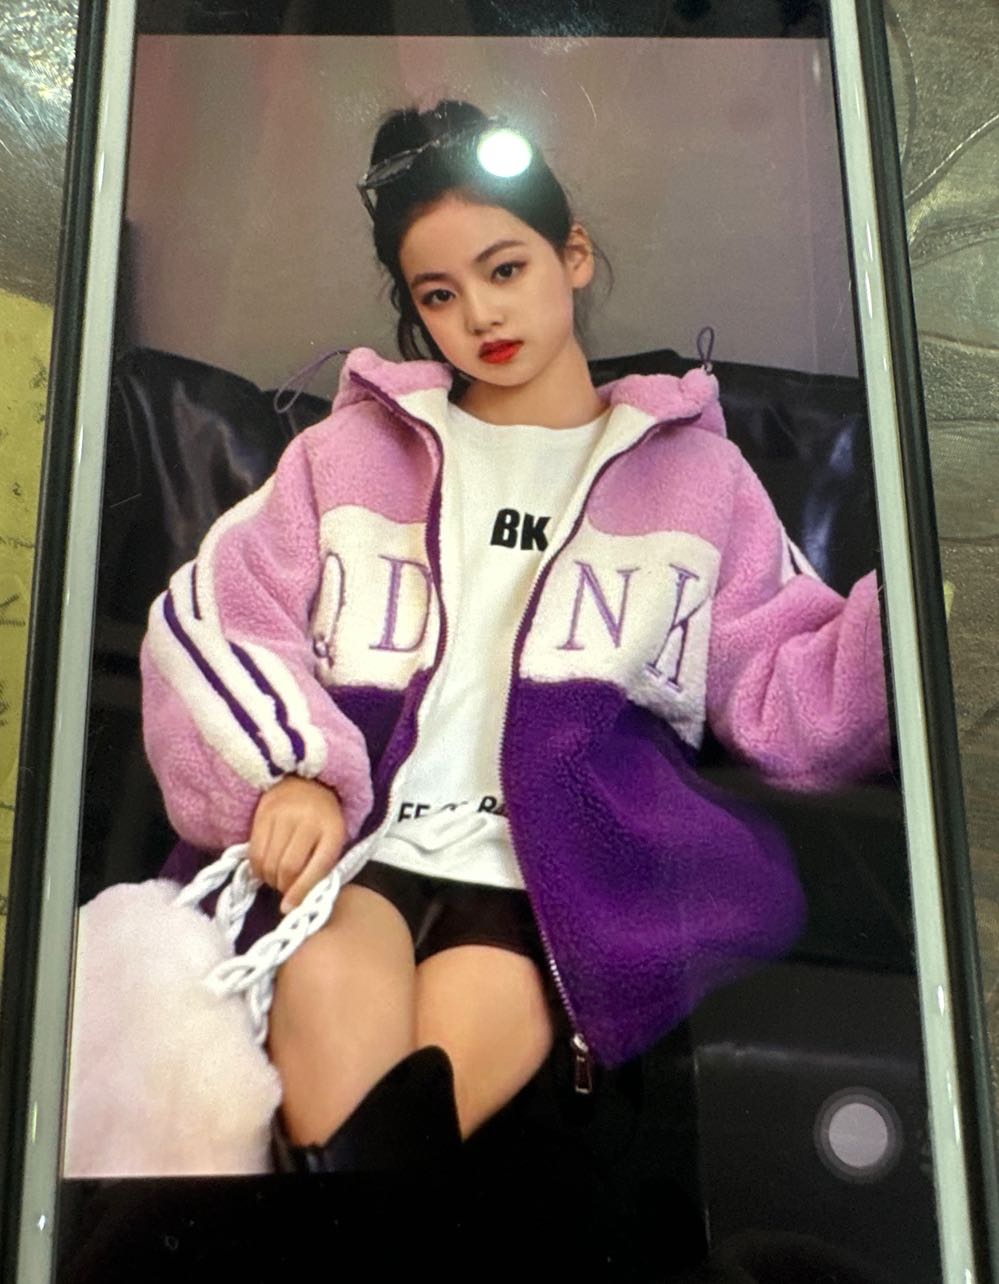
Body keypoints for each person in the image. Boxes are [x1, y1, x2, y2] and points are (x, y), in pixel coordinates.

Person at [140, 99, 892, 1177]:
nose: (480, 315)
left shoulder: (698, 479)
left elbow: (786, 692)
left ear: (571, 255)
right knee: (348, 1099)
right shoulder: (350, 456)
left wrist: (918, 601)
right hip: (359, 848)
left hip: (550, 880)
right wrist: (288, 768)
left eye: (505, 269)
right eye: (438, 295)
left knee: (379, 1148)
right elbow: (211, 614)